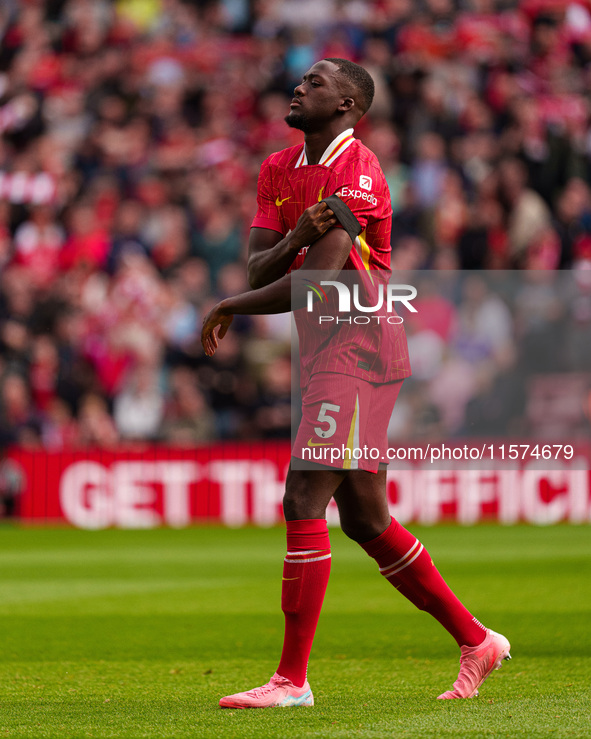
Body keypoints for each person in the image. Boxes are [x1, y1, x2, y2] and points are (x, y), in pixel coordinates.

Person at [201, 58, 511, 709]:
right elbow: (260, 264)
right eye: (301, 79)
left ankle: (290, 680)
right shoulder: (276, 169)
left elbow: (312, 283)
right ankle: (476, 639)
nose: (298, 86)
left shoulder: (359, 174)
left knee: (303, 492)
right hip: (323, 347)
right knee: (366, 519)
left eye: (315, 82)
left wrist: (231, 303)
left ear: (347, 105)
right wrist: (292, 238)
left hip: (359, 342)